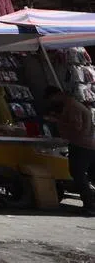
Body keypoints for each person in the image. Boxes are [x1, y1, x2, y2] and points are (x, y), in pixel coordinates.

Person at [44, 86, 95, 214]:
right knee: (90, 174)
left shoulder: (72, 107)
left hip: (81, 144)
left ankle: (89, 205)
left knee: (78, 173)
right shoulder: (76, 105)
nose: (52, 102)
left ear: (58, 95)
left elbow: (76, 126)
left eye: (52, 98)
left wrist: (57, 121)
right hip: (88, 144)